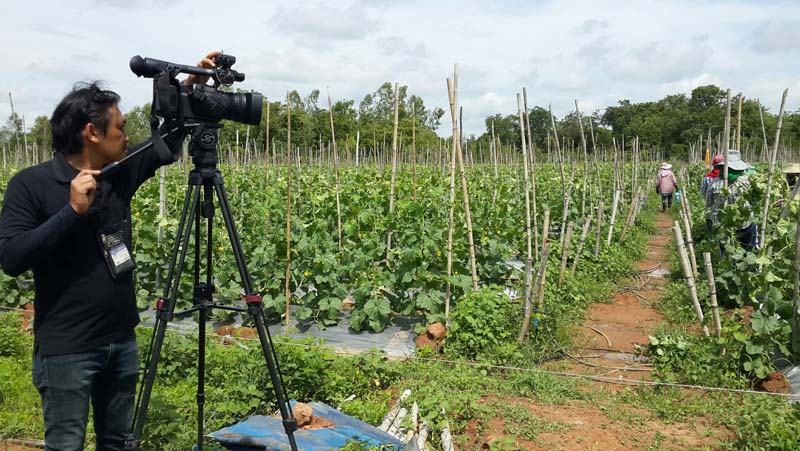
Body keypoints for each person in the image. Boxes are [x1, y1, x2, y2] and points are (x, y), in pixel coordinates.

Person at [0, 51, 220, 451]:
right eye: (120, 127)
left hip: (121, 340)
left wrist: (190, 90)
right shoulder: (31, 184)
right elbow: (12, 258)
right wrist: (71, 212)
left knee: (118, 442)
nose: (126, 134)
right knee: (66, 445)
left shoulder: (119, 173)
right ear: (92, 132)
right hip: (67, 349)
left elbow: (168, 140)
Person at [705, 149, 757, 251]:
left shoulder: (714, 183)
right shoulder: (748, 182)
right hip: (744, 223)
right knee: (748, 251)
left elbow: (708, 206)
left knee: (727, 253)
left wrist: (709, 224)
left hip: (723, 225)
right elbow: (754, 201)